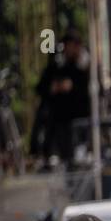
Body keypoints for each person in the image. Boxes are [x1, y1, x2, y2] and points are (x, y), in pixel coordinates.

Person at [32, 31, 91, 163]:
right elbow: (41, 87)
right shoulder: (57, 65)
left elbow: (89, 91)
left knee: (78, 152)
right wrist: (54, 88)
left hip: (81, 116)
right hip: (60, 118)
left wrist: (72, 86)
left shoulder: (85, 65)